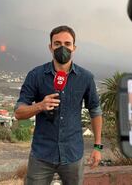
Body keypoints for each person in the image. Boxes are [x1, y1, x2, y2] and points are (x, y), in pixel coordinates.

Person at [14, 25, 103, 185]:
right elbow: (19, 113)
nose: (63, 48)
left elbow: (95, 111)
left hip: (73, 154)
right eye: (57, 43)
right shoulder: (36, 75)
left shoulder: (86, 78)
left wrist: (98, 147)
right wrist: (40, 105)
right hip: (42, 154)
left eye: (67, 44)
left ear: (74, 48)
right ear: (50, 47)